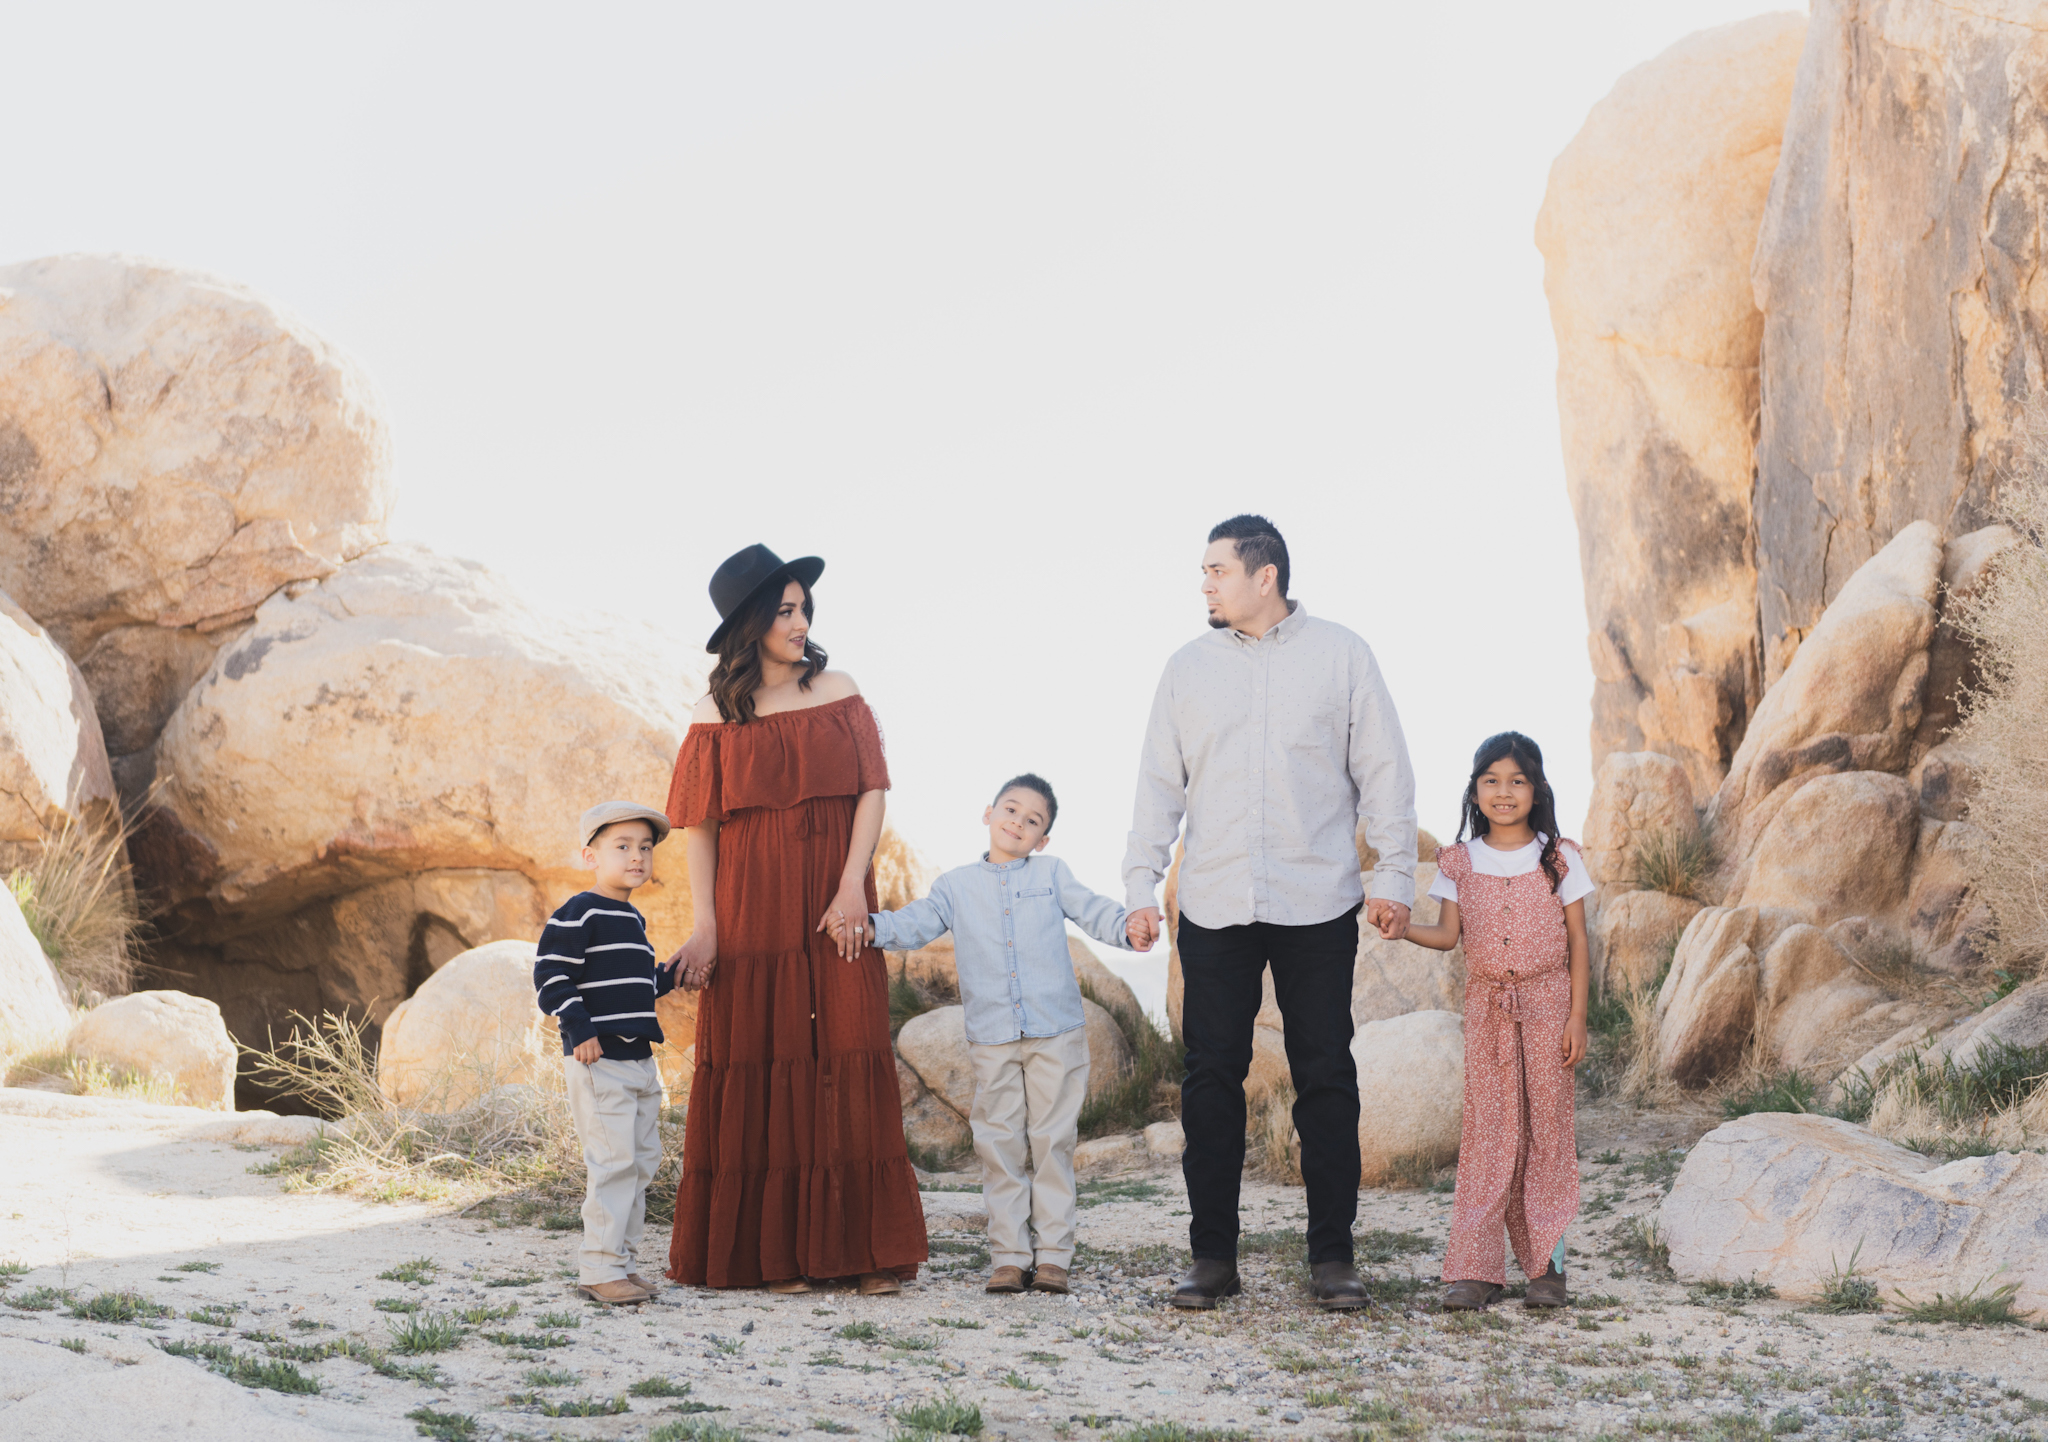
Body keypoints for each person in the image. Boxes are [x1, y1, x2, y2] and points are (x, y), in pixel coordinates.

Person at [1124, 514, 1418, 1312]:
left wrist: (1395, 874)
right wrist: (1140, 886)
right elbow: (1158, 785)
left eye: (1217, 570)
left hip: (1316, 897)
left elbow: (1384, 770)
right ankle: (1212, 1258)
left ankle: (1334, 1258)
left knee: (1326, 1075)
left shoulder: (1343, 655)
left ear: (1266, 576)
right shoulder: (1186, 669)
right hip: (1215, 901)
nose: (1205, 585)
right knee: (1210, 1080)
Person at [662, 543, 928, 1294]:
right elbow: (700, 829)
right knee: (760, 1054)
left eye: (803, 608)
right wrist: (707, 926)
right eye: (784, 611)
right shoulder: (713, 715)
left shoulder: (838, 690)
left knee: (848, 1049)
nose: (800, 622)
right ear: (750, 624)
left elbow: (872, 789)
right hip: (752, 906)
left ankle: (864, 1252)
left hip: (835, 901)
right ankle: (771, 1253)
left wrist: (852, 886)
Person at [832, 773, 1144, 1296]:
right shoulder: (955, 886)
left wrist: (1128, 927)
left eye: (1033, 820)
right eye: (1011, 809)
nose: (1018, 822)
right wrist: (869, 927)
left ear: (1042, 839)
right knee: (999, 1146)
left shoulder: (1051, 873)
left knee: (1053, 1142)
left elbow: (1094, 910)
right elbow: (917, 922)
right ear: (988, 814)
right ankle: (1009, 1257)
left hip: (1055, 1032)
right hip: (992, 1035)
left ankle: (1054, 1257)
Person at [1399, 731, 1590, 1310]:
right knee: (1488, 1132)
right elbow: (1447, 935)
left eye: (1517, 781)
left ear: (1537, 790)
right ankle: (1475, 1270)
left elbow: (1579, 942)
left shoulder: (1559, 858)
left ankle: (1547, 1268)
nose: (1504, 792)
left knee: (1547, 1132)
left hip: (1549, 1003)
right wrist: (1402, 928)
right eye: (1492, 780)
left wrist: (1578, 1016)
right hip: (1487, 1011)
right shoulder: (1459, 862)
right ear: (1475, 790)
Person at [534, 801, 679, 1306]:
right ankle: (598, 1268)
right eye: (622, 846)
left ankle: (622, 1263)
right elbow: (550, 974)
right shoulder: (581, 911)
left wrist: (675, 974)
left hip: (638, 1059)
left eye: (645, 847)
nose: (636, 856)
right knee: (613, 1162)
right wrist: (579, 1028)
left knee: (640, 1162)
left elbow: (638, 987)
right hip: (599, 1060)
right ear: (590, 856)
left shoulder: (632, 918)